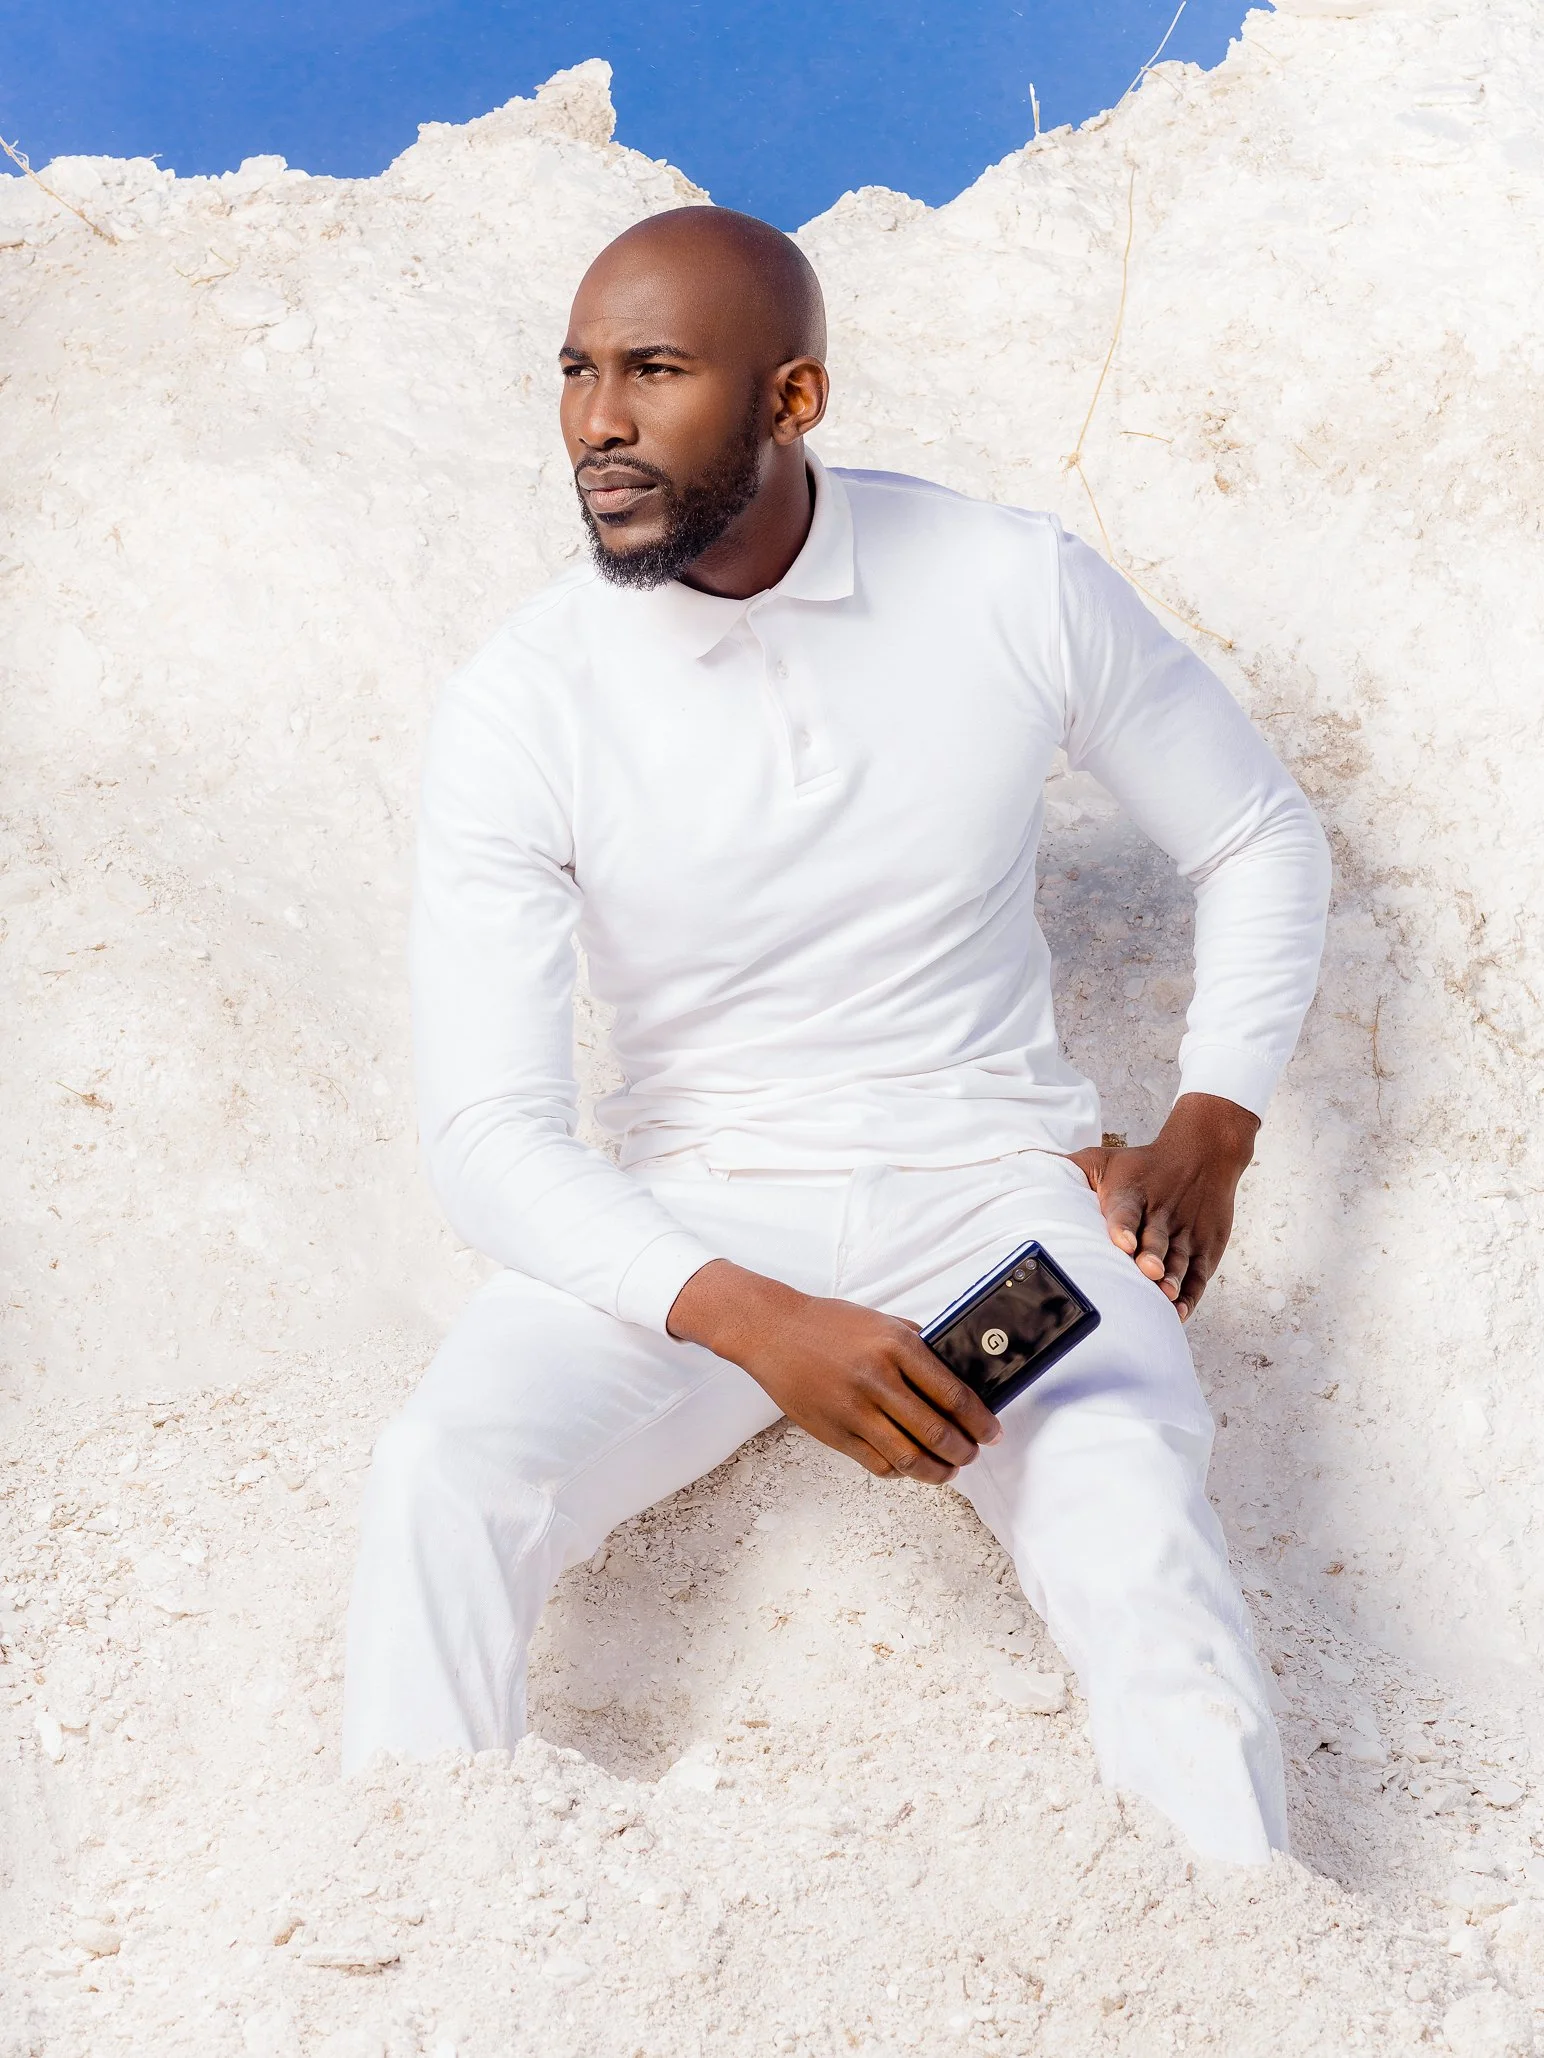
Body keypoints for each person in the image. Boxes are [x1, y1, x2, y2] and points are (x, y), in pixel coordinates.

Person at [341, 207, 1331, 1865]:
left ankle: (1261, 1945)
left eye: (654, 372)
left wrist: (1211, 1127)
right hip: (697, 1206)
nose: (596, 421)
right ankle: (420, 1925)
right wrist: (758, 1321)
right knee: (442, 1470)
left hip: (999, 1197)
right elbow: (489, 1138)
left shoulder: (1011, 580)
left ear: (793, 398)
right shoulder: (524, 698)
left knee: (1135, 1530)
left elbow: (1257, 835)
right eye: (577, 374)